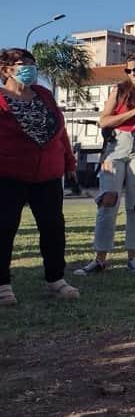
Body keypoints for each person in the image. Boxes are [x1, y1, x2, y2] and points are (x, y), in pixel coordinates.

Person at [75, 52, 135, 275]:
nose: (133, 74)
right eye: (129, 70)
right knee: (109, 198)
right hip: (117, 143)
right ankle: (100, 257)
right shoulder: (120, 90)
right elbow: (104, 121)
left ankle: (133, 257)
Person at [0, 48, 80, 304]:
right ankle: (2, 285)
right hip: (8, 175)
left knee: (53, 228)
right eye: (23, 64)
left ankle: (56, 280)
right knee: (3, 229)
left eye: (32, 64)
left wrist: (69, 161)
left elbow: (61, 132)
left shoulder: (44, 95)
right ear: (5, 70)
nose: (30, 69)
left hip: (48, 174)